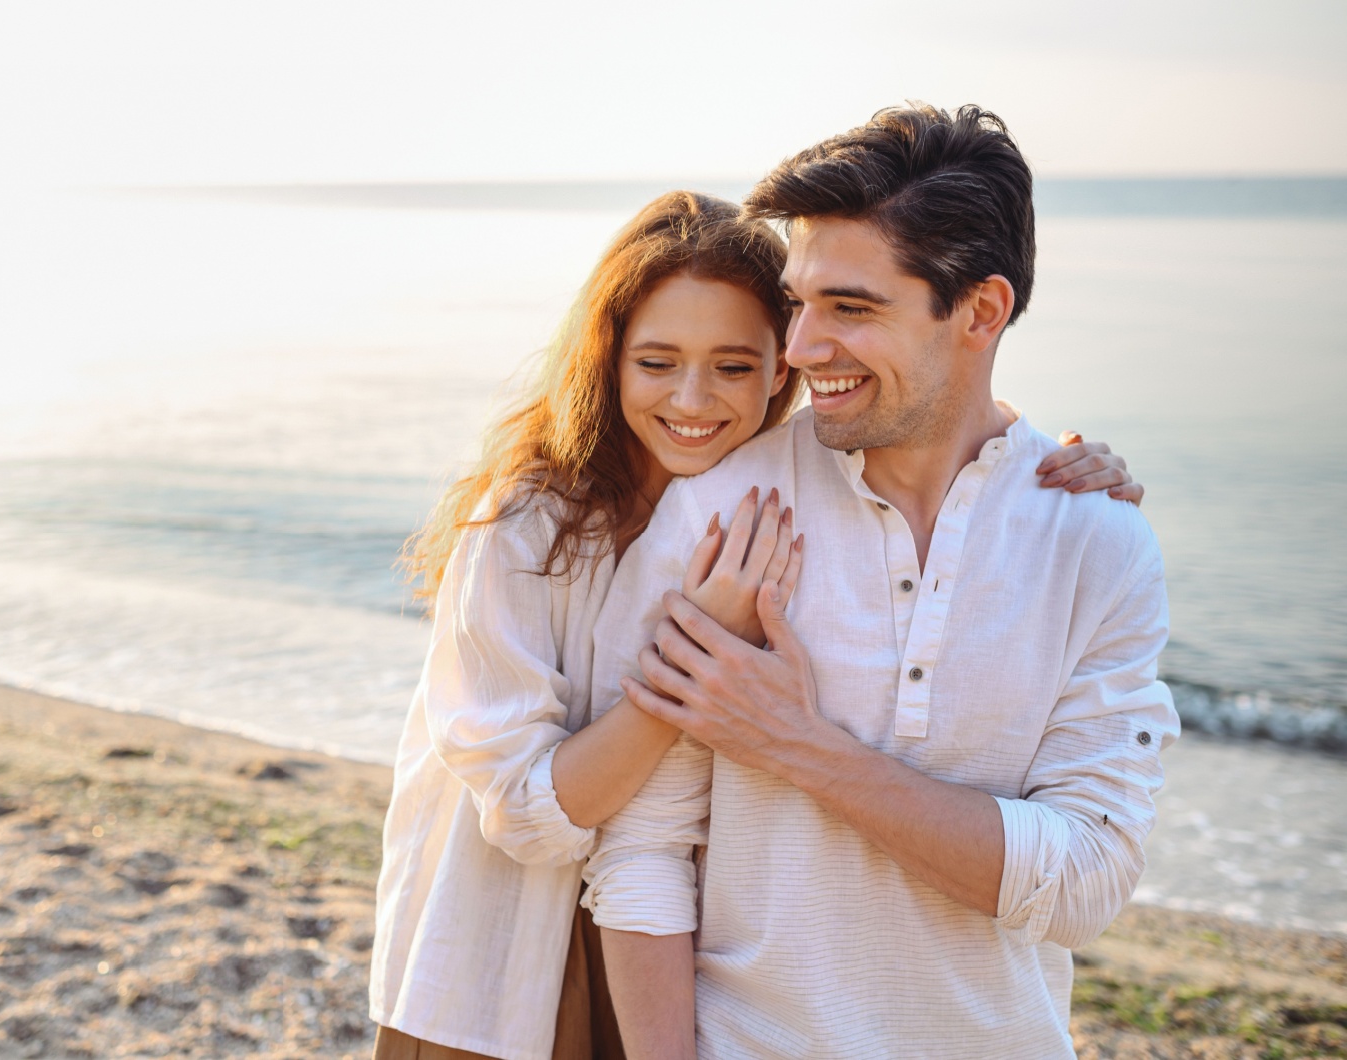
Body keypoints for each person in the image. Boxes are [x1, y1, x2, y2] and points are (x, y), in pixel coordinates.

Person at [370, 190, 1141, 1060]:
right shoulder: (527, 527)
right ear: (608, 361)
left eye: (734, 366)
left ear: (783, 368)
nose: (692, 399)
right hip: (510, 946)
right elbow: (524, 812)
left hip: (669, 946)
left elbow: (933, 390)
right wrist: (698, 669)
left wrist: (1036, 465)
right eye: (656, 362)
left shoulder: (746, 497)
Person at [582, 105, 1179, 1060]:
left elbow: (1083, 882)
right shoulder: (722, 512)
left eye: (850, 309)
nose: (801, 349)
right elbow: (641, 853)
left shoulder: (1096, 543)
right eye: (800, 302)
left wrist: (803, 748)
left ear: (980, 311)